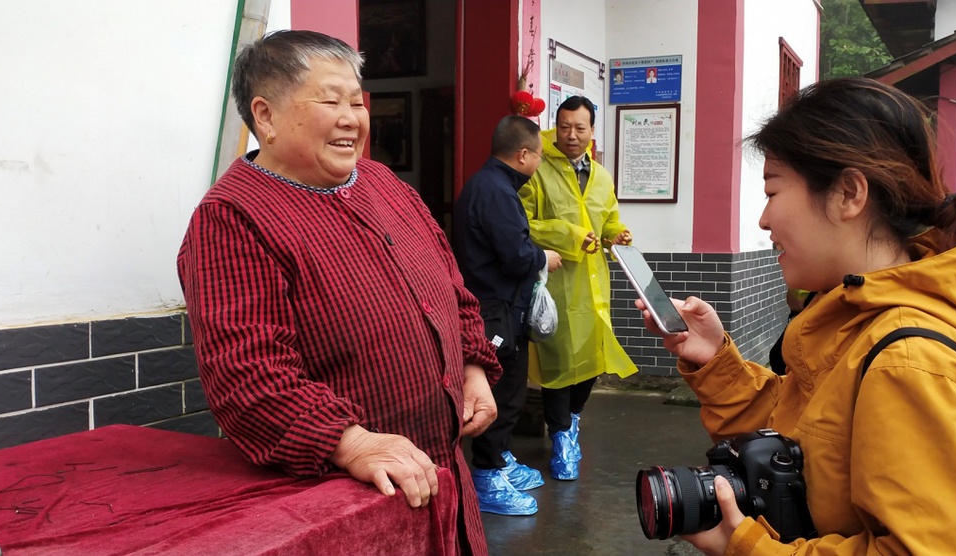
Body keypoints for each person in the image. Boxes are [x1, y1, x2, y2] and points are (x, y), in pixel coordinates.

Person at [635, 77, 956, 555]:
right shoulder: (853, 317)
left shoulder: (907, 363)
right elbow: (807, 436)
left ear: (848, 194)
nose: (764, 220)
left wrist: (749, 548)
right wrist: (715, 362)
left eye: (773, 192)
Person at [176, 30, 499, 555]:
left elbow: (451, 286)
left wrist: (470, 366)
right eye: (331, 100)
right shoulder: (233, 219)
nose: (353, 117)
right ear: (266, 115)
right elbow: (248, 375)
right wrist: (350, 443)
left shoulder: (382, 182)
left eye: (356, 100)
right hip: (343, 508)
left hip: (444, 484)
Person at [519, 95, 638, 481]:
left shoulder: (602, 176)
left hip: (593, 285)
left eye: (580, 128)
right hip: (554, 283)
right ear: (557, 125)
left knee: (589, 362)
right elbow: (524, 222)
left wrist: (614, 234)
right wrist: (571, 235)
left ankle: (570, 421)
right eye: (565, 126)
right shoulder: (539, 169)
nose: (571, 135)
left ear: (592, 131)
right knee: (557, 366)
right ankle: (560, 437)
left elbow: (607, 222)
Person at [452, 115, 562, 516]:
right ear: (522, 154)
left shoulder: (493, 185)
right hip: (493, 310)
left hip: (502, 308)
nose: (539, 164)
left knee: (511, 388)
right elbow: (515, 255)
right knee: (498, 392)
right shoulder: (496, 191)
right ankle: (486, 473)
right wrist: (543, 257)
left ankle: (499, 458)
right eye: (539, 156)